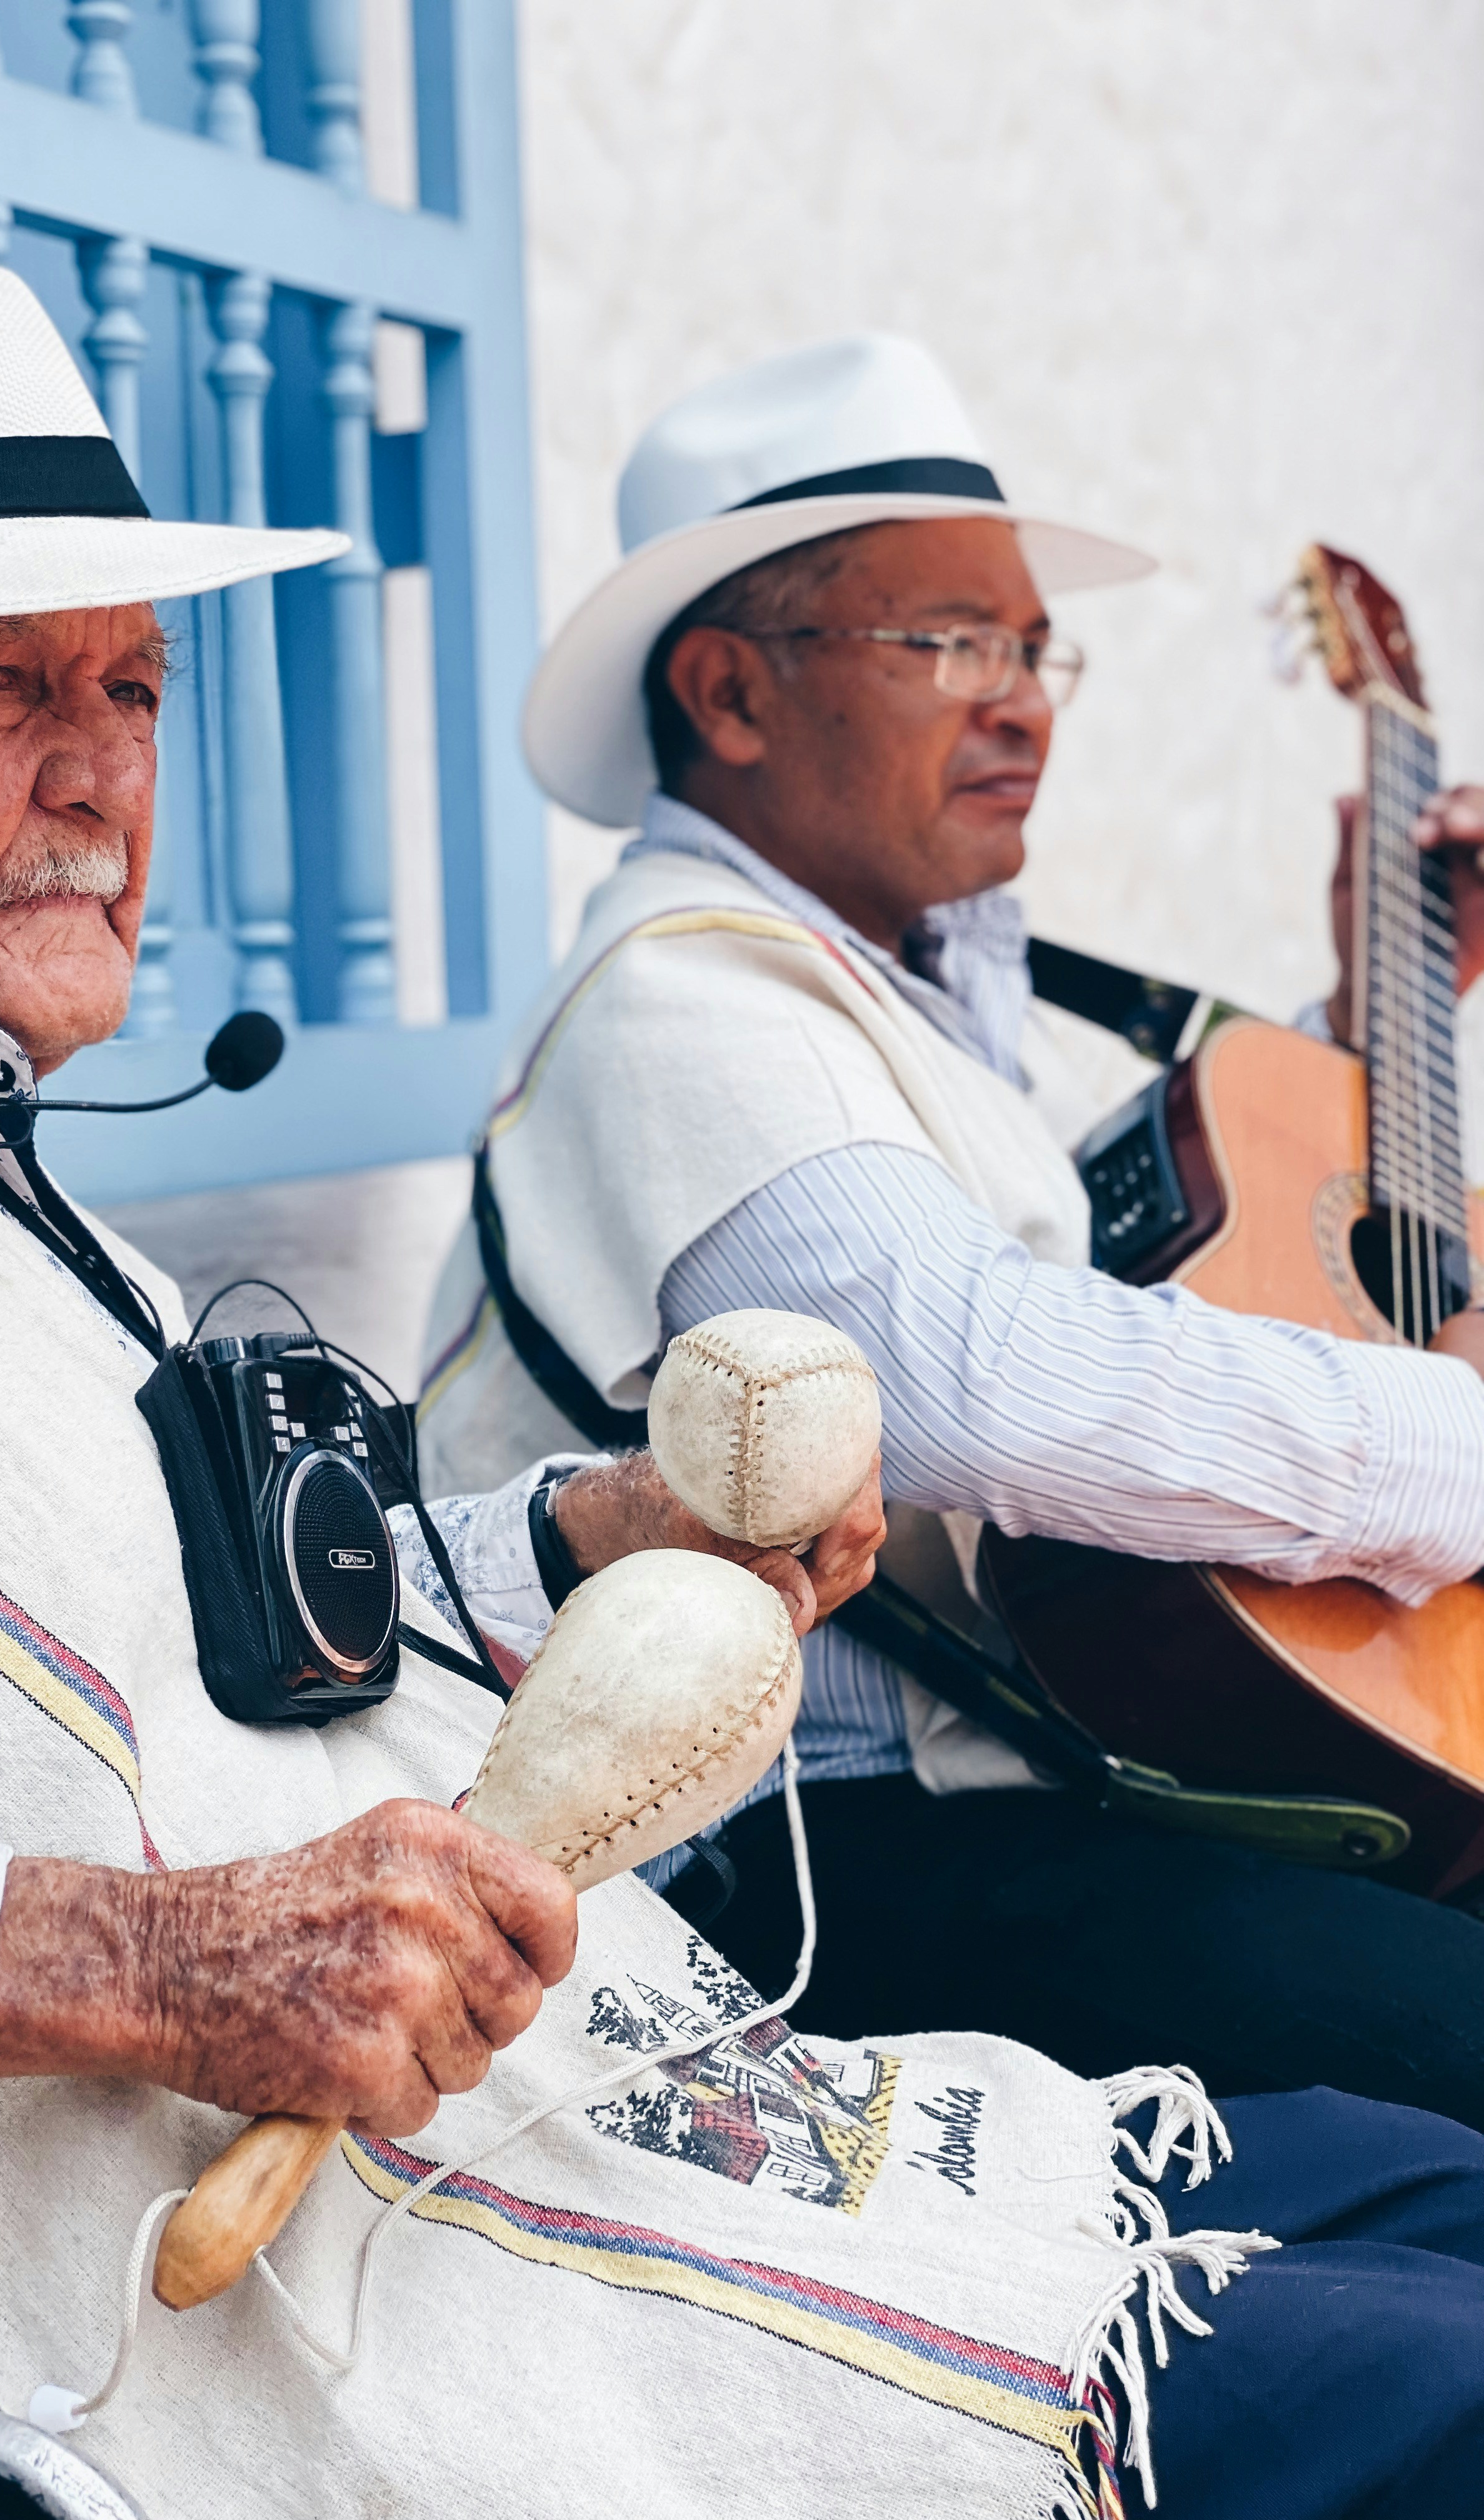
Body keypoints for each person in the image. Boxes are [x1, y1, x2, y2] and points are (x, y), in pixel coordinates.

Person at [0, 267, 1480, 2520]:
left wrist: (597, 1541)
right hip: (295, 2289)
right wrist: (153, 1959)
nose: (101, 769)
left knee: (1410, 2195)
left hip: (571, 2109)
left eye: (131, 684)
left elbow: (245, 1663)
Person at [419, 332, 1484, 2136]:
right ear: (730, 695)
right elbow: (971, 1374)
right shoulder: (678, 999)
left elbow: (1153, 1284)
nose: (1024, 702)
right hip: (809, 1868)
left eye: (1029, 644)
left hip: (1043, 1787)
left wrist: (1378, 1012)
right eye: (947, 644)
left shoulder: (891, 988)